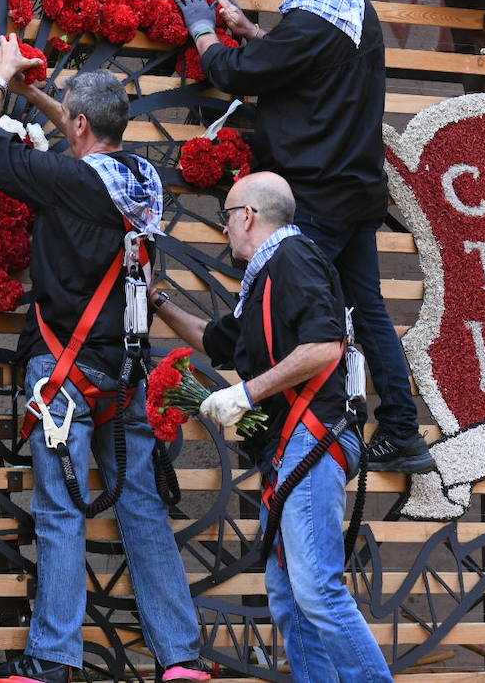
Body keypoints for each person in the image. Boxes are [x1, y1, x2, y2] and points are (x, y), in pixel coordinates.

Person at [0, 35, 209, 683]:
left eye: (65, 112)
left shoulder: (69, 182)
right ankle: (181, 659)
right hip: (126, 372)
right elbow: (82, 134)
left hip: (64, 377)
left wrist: (1, 77)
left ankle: (52, 662)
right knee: (143, 514)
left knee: (60, 513)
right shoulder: (144, 180)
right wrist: (39, 95)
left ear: (77, 125)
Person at [173, 0, 435, 474]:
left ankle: (290, 433)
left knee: (282, 312)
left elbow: (236, 74)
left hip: (313, 198)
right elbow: (310, 67)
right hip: (359, 192)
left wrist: (202, 29)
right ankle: (400, 431)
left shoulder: (310, 22)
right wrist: (257, 34)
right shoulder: (351, 7)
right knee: (367, 313)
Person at [154, 171, 392, 683]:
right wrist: (156, 301)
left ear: (246, 216)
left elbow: (325, 346)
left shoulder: (293, 260)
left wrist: (245, 392)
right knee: (290, 597)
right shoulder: (268, 275)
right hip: (295, 448)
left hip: (311, 439)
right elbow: (216, 339)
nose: (224, 231)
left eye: (226, 218)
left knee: (316, 591)